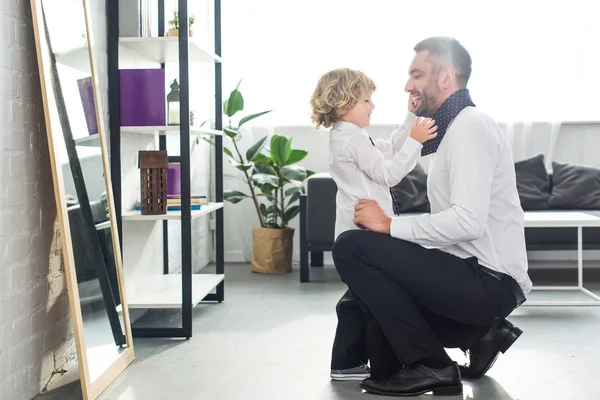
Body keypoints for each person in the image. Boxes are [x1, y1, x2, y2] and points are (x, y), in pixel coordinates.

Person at [332, 36, 532, 397]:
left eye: (417, 74)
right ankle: (479, 336)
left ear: (445, 78)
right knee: (375, 311)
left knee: (351, 248)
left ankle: (434, 367)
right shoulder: (451, 130)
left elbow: (467, 222)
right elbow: (394, 150)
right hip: (468, 271)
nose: (407, 85)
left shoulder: (471, 127)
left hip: (488, 282)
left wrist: (390, 225)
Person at [308, 68, 438, 381]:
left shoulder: (350, 136)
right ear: (342, 106)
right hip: (365, 236)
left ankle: (346, 363)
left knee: (359, 299)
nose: (372, 106)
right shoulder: (350, 140)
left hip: (359, 234)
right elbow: (390, 173)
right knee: (370, 299)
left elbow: (388, 150)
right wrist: (416, 143)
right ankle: (365, 363)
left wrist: (409, 120)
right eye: (366, 100)